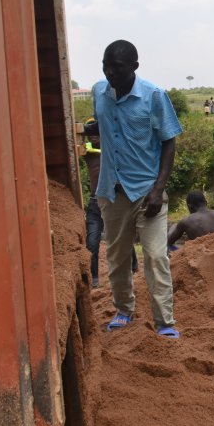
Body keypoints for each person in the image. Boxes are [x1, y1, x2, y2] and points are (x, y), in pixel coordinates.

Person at [93, 39, 183, 338]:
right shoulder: (98, 93)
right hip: (111, 191)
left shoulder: (154, 96)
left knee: (156, 256)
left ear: (134, 66)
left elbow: (169, 140)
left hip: (147, 193)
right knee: (117, 257)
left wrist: (159, 189)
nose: (109, 72)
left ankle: (165, 323)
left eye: (116, 67)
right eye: (105, 65)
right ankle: (123, 310)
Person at [83, 119, 139, 288]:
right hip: (95, 202)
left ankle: (134, 265)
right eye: (90, 134)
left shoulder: (114, 150)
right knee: (92, 241)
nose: (93, 137)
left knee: (122, 236)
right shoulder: (88, 152)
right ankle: (94, 279)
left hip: (113, 200)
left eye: (96, 133)